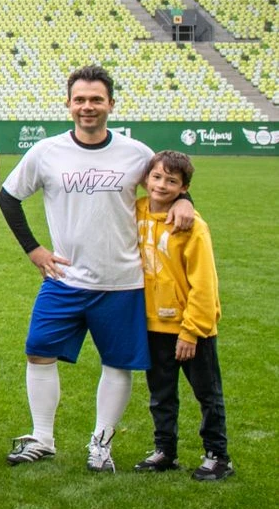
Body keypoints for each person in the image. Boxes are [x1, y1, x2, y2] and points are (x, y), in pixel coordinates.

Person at [0, 64, 193, 471]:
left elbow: (167, 184)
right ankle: (43, 437)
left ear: (111, 105)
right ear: (68, 104)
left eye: (96, 100)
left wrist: (185, 202)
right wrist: (34, 250)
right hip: (64, 278)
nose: (88, 106)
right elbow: (8, 197)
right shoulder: (46, 152)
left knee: (117, 363)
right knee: (38, 351)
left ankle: (100, 444)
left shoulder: (135, 153)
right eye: (80, 99)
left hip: (122, 281)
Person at [132, 151, 231, 481]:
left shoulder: (192, 226)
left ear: (184, 188)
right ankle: (165, 451)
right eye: (157, 177)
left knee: (207, 394)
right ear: (146, 179)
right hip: (152, 324)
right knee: (161, 395)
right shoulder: (136, 211)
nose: (162, 185)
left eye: (172, 181)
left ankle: (218, 456)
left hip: (191, 328)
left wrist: (191, 331)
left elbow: (204, 284)